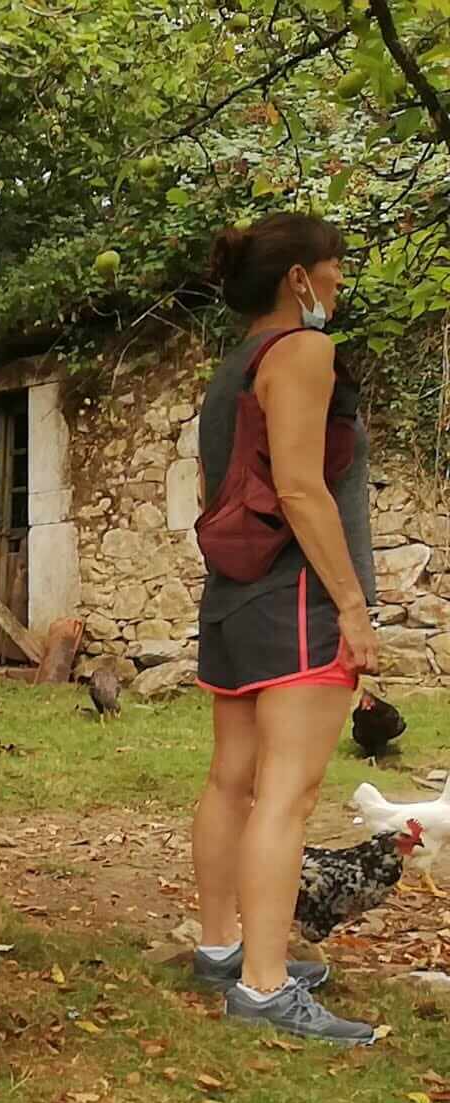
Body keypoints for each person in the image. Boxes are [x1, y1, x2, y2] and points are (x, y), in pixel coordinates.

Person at [190, 212, 381, 1044]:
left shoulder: (230, 370)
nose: (341, 281)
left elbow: (214, 495)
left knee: (232, 779)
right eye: (334, 267)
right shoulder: (304, 352)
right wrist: (351, 606)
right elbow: (302, 490)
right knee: (290, 795)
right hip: (297, 599)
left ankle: (225, 948)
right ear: (299, 277)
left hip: (233, 594)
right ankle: (266, 989)